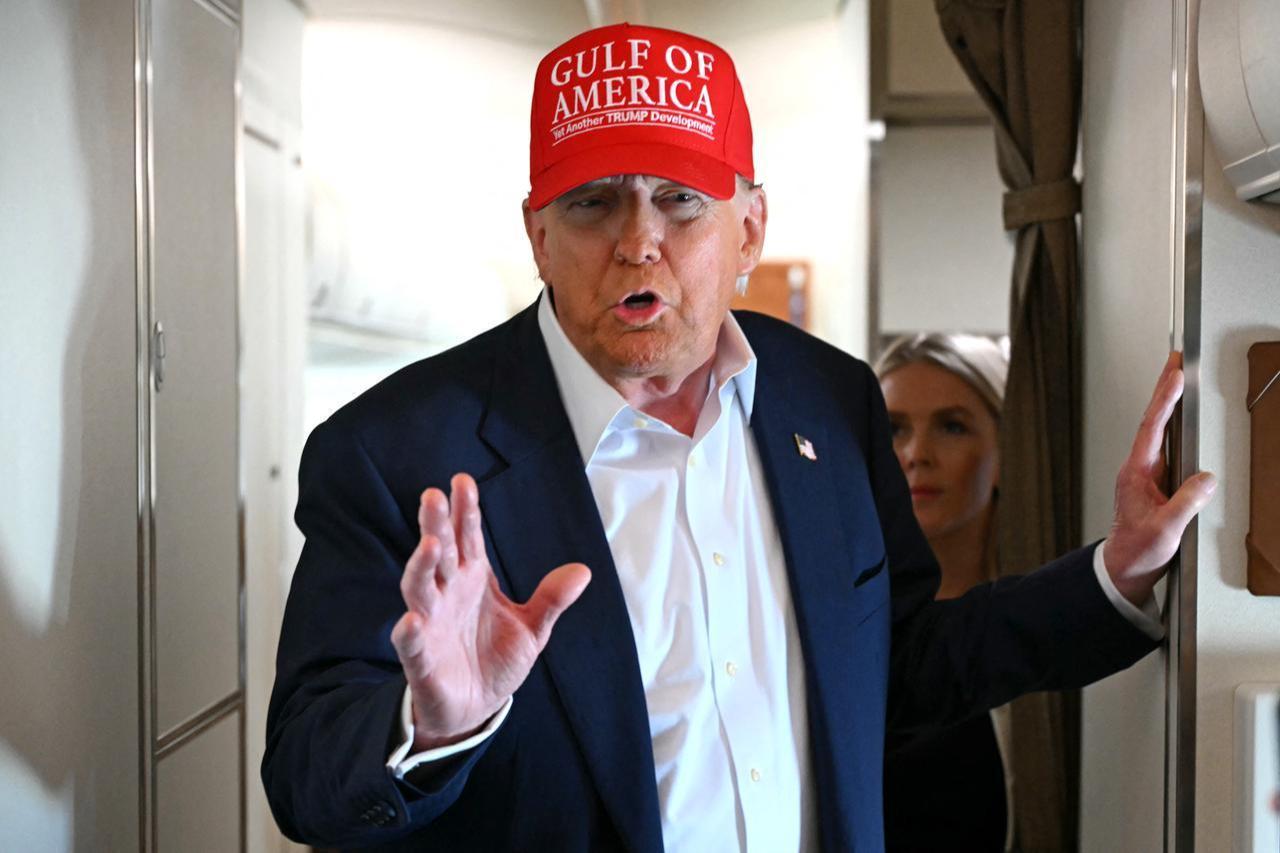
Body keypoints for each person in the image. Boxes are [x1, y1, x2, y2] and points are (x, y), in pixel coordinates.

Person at [261, 22, 1217, 852]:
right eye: (592, 202)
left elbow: (897, 664)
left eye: (680, 199)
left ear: (750, 229)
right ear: (539, 236)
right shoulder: (393, 454)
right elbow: (305, 774)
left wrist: (1116, 574)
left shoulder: (828, 400)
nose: (639, 242)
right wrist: (429, 728)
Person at [874, 332, 1013, 851]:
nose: (917, 454)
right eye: (894, 430)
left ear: (1002, 453)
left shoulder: (1035, 622)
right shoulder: (841, 625)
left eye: (952, 427)